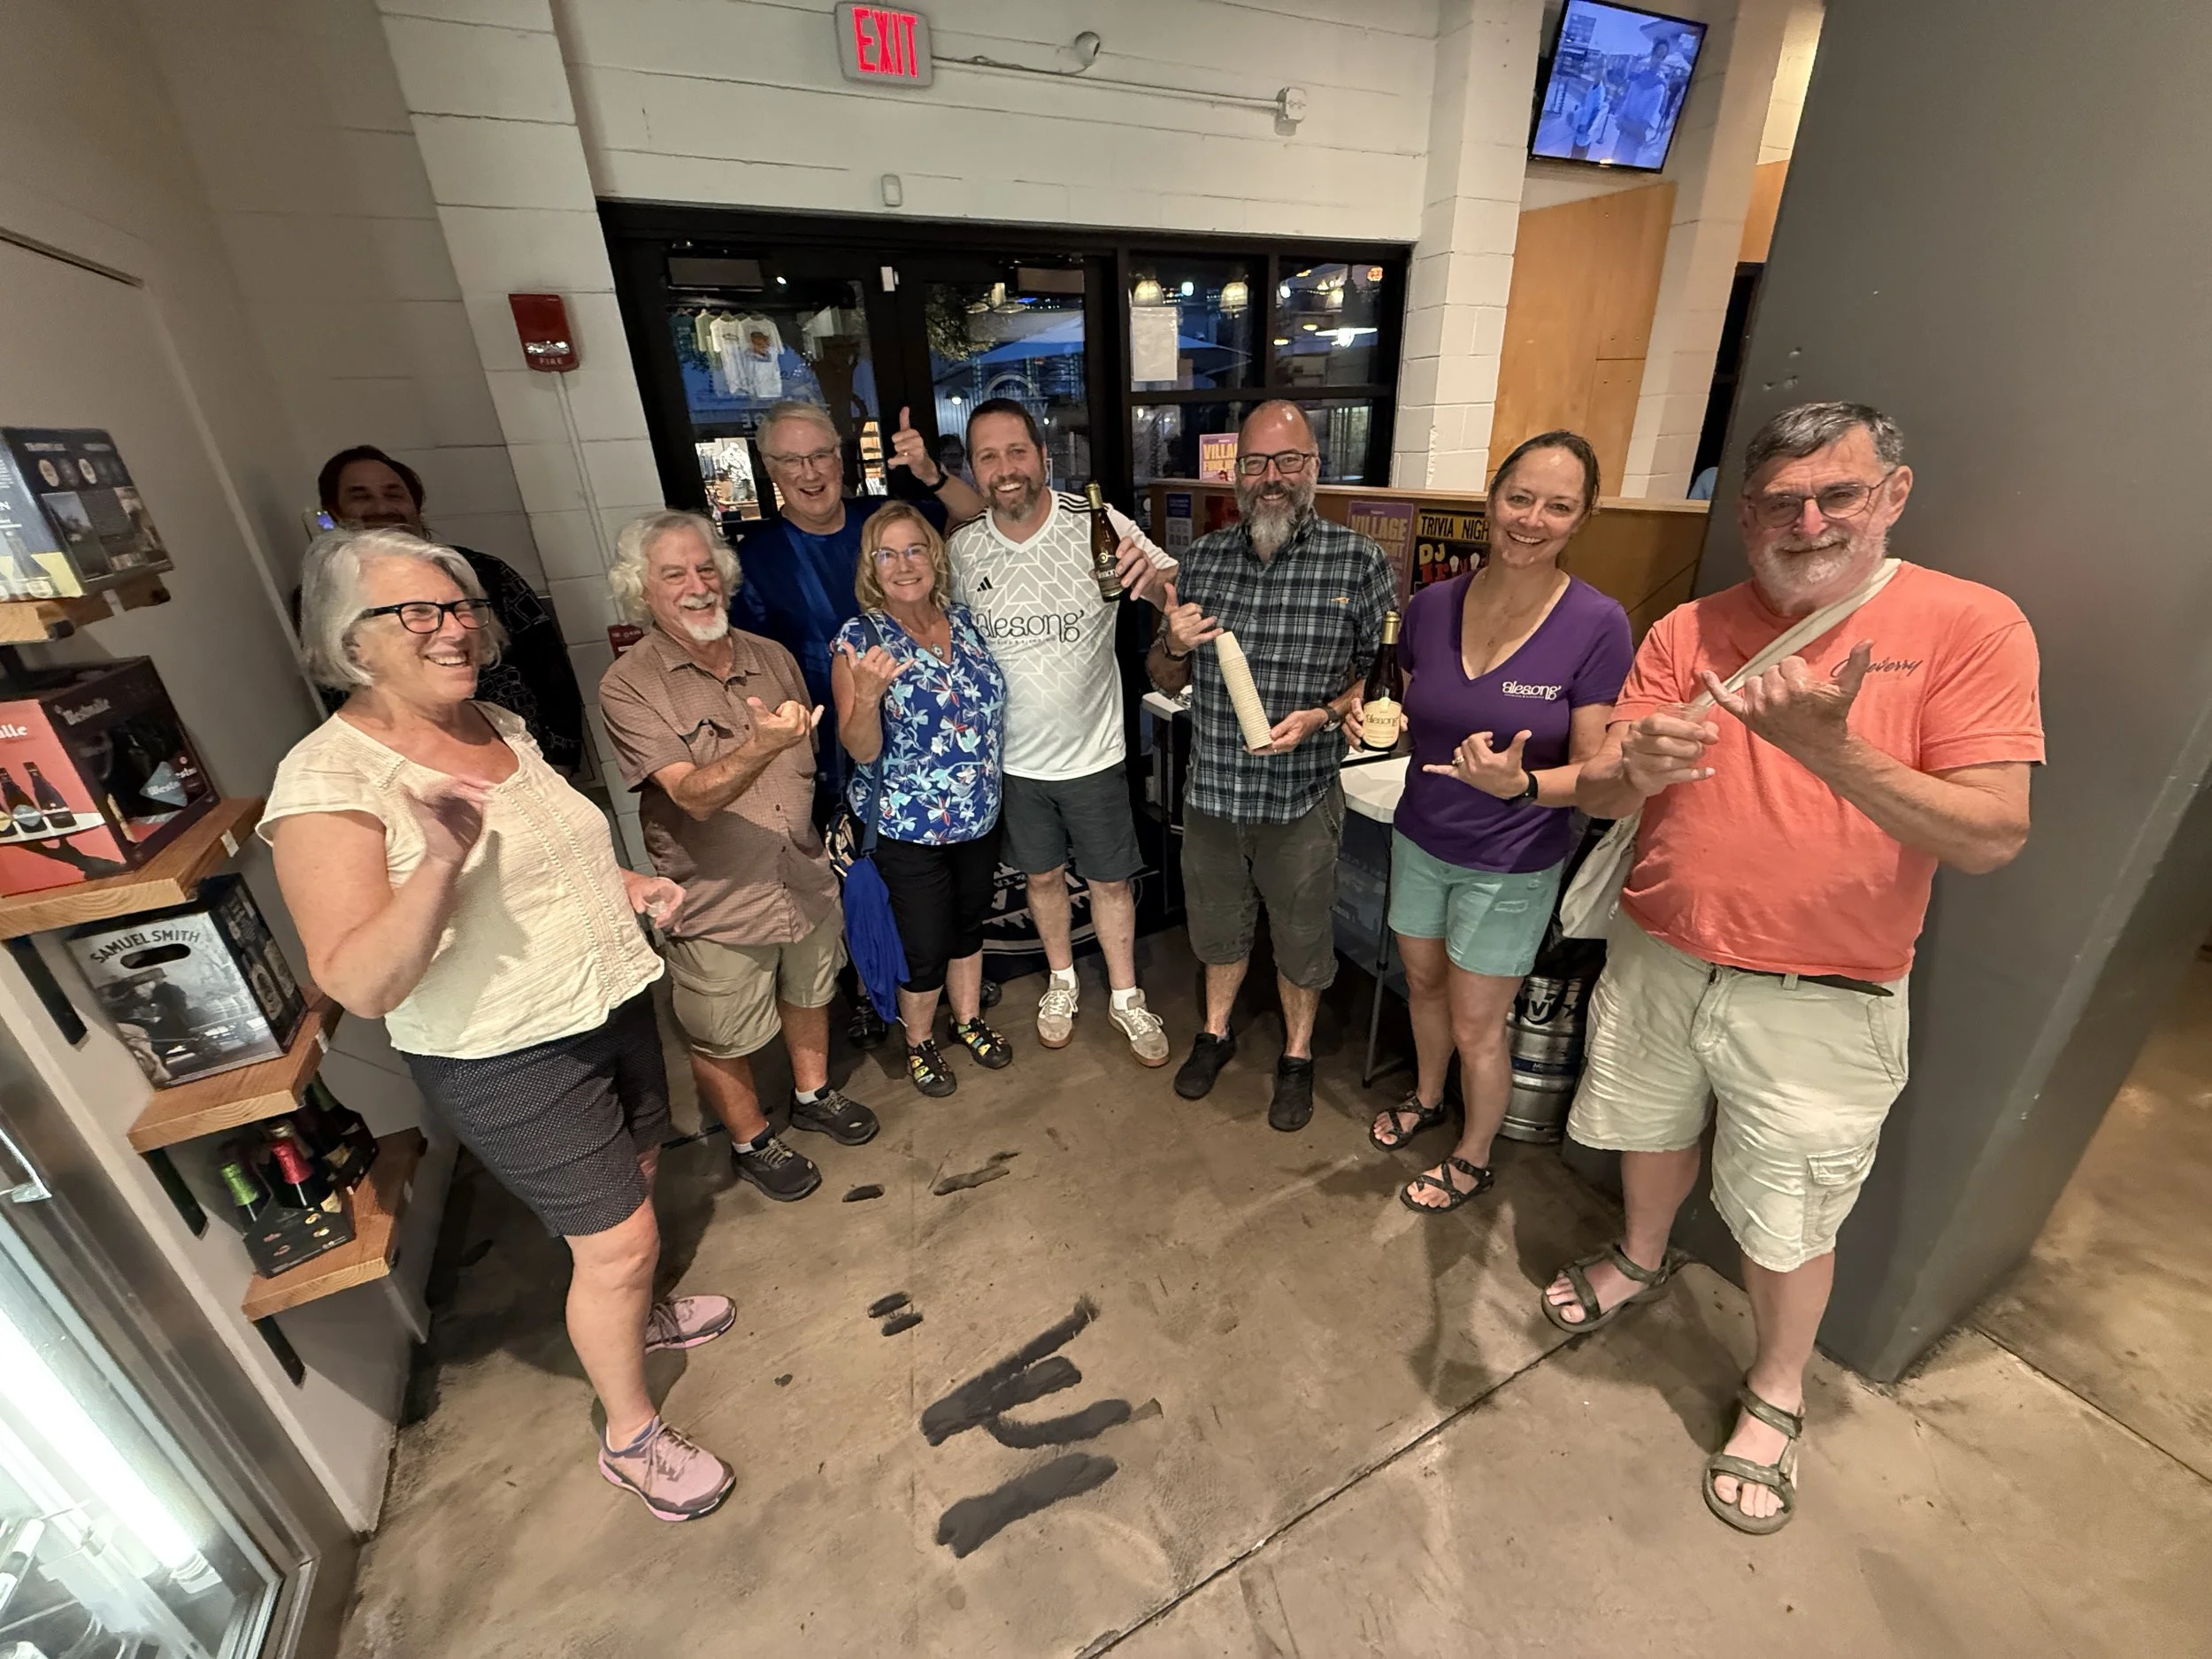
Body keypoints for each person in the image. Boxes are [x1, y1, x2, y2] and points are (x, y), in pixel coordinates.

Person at [1545, 402, 2041, 1534]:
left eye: (1837, 495)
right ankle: (1639, 1255)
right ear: (1748, 512)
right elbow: (1613, 789)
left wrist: (1834, 748)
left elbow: (1991, 834)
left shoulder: (1969, 624)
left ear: (1891, 498)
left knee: (1788, 1212)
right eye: (1778, 502)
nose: (1806, 521)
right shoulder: (1686, 630)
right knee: (1649, 1130)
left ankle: (1775, 1391)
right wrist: (1637, 766)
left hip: (1821, 995)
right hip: (1661, 955)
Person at [265, 527, 735, 1524]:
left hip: (604, 998)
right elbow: (361, 979)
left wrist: (628, 882)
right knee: (615, 1243)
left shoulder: (494, 723)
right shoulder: (328, 781)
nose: (454, 631)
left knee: (637, 1186)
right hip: (506, 1050)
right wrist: (435, 859)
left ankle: (640, 1318)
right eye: (418, 613)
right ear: (350, 641)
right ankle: (630, 1438)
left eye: (461, 609)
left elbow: (551, 853)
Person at [1363, 432, 1632, 1212]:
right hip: (1420, 834)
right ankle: (1425, 1094)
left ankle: (1475, 1152)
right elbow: (1406, 711)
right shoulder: (1431, 603)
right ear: (1491, 500)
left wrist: (1522, 784)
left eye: (1558, 505)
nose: (1532, 519)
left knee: (1481, 1021)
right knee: (1421, 982)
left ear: (1581, 519)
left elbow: (1597, 774)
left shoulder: (1597, 622)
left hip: (1511, 858)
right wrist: (1362, 716)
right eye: (1519, 497)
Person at [597, 511, 880, 1205]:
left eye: (705, 569)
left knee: (811, 992)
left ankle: (812, 1094)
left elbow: (809, 760)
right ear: (643, 592)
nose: (697, 586)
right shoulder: (630, 684)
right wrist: (759, 746)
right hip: (717, 896)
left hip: (802, 872)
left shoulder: (771, 655)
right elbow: (690, 797)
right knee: (721, 1031)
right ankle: (752, 1139)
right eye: (674, 574)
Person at [1148, 401, 1393, 1131]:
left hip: (1302, 799)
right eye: (1255, 463)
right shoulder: (1203, 561)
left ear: (1315, 467)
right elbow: (1163, 678)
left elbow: (1382, 675)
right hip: (1216, 792)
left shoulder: (1359, 561)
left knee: (1302, 934)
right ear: (1237, 473)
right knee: (1219, 928)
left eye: (1288, 461)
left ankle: (1296, 1053)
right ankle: (1216, 1032)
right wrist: (1176, 643)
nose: (1272, 477)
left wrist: (1324, 713)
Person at [733, 402, 991, 1046]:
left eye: (820, 454)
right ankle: (870, 994)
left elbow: (973, 511)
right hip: (813, 745)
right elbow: (746, 655)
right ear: (769, 470)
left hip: (908, 751)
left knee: (919, 899)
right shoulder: (756, 554)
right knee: (848, 883)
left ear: (841, 457)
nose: (810, 471)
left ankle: (914, 990)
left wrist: (930, 470)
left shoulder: (884, 523)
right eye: (791, 460)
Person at [949, 398, 1177, 1065]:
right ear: (974, 469)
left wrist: (1158, 584)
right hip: (1014, 762)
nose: (1005, 468)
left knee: (1110, 883)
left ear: (1043, 456)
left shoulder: (1097, 522)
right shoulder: (963, 550)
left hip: (1096, 753)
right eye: (988, 457)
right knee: (1041, 879)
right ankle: (1062, 980)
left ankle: (1127, 995)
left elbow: (1175, 586)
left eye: (1016, 451)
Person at [830, 505, 1013, 1097]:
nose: (904, 564)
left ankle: (967, 1019)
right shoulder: (859, 638)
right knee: (925, 944)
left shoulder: (965, 621)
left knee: (968, 924)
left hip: (980, 816)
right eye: (888, 553)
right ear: (872, 567)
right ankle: (919, 1040)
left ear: (934, 558)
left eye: (914, 550)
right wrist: (865, 697)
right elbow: (860, 748)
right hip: (907, 828)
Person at [317, 446, 587, 773]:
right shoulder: (330, 599)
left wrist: (562, 755)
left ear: (416, 506)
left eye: (394, 493)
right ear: (333, 511)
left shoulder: (483, 572)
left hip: (525, 758)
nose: (381, 507)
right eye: (360, 496)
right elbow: (339, 691)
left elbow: (548, 662)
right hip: (423, 773)